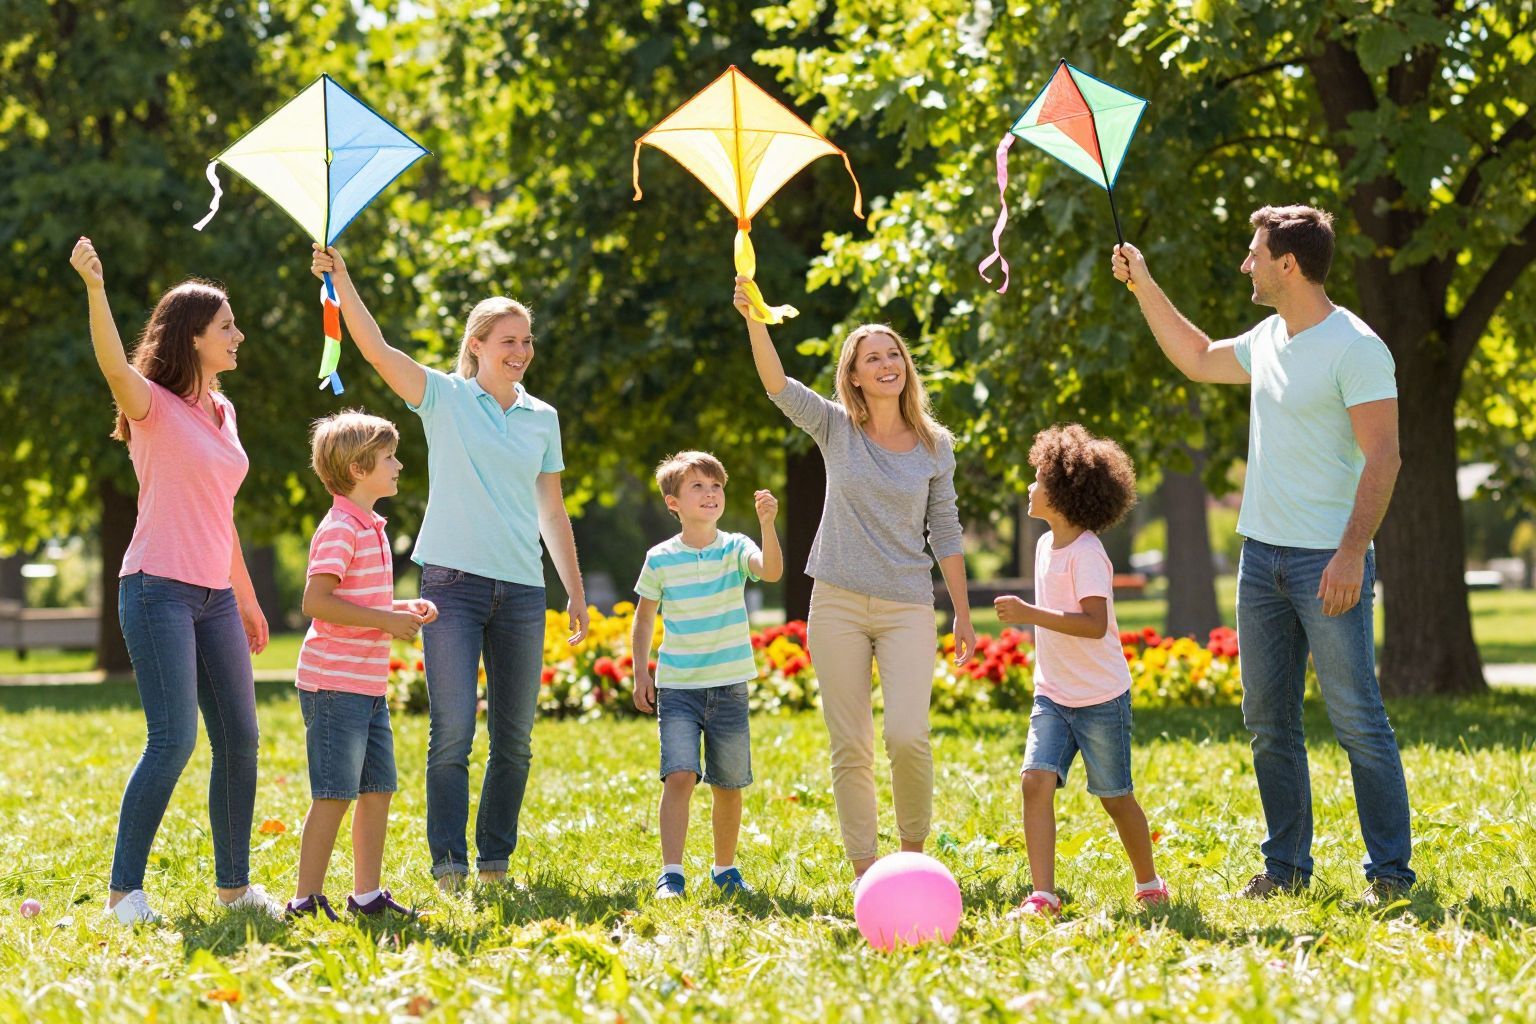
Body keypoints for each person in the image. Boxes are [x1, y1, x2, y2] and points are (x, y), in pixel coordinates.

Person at [1112, 205, 1413, 903]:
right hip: (1262, 561)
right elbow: (1195, 357)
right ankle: (1286, 867)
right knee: (1268, 723)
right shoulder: (1271, 336)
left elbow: (1386, 457)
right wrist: (1144, 284)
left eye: (1255, 253)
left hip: (1325, 563)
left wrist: (1349, 555)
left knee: (1357, 720)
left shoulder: (1356, 347)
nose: (1246, 263)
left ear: (1289, 264)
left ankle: (1391, 876)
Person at [309, 245, 588, 891]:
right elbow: (377, 350)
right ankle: (448, 866)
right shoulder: (445, 398)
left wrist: (572, 589)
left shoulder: (543, 418)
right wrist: (343, 277)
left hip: (521, 590)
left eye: (527, 341)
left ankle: (494, 863)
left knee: (514, 739)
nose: (520, 350)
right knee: (453, 733)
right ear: (479, 344)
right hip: (452, 588)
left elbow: (552, 510)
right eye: (508, 340)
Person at [733, 276, 976, 885]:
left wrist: (964, 614)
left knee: (908, 735)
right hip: (836, 601)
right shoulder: (836, 427)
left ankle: (913, 856)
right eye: (873, 358)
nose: (888, 363)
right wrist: (755, 319)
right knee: (851, 744)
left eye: (894, 354)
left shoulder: (933, 444)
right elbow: (776, 386)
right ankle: (867, 869)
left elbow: (944, 529)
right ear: (855, 377)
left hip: (908, 606)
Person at [71, 237, 282, 925]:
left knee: (241, 740)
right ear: (194, 337)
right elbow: (109, 364)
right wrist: (96, 288)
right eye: (227, 327)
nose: (238, 335)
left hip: (215, 597)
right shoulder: (152, 404)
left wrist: (246, 600)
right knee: (174, 740)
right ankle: (122, 894)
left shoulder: (225, 412)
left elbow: (221, 514)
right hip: (156, 588)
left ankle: (234, 885)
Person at [995, 425, 1168, 918]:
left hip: (1100, 699)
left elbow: (1094, 625)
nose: (1030, 487)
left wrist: (1030, 614)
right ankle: (1043, 894)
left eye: (1038, 478)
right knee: (1034, 781)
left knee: (1115, 797)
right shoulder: (1045, 544)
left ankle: (1149, 882)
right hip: (1053, 696)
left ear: (1064, 491)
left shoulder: (1088, 554)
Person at [286, 412, 437, 920]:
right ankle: (305, 899)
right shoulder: (339, 529)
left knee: (378, 789)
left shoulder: (370, 526)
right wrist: (383, 620)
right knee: (334, 794)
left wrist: (401, 611)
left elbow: (359, 601)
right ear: (357, 468)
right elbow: (317, 601)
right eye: (389, 457)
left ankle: (367, 896)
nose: (399, 464)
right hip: (333, 684)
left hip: (365, 685)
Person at [629, 452, 782, 899]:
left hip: (729, 685)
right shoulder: (659, 559)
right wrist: (643, 674)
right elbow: (643, 619)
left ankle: (724, 869)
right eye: (697, 486)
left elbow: (771, 572)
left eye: (715, 486)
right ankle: (671, 874)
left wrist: (767, 525)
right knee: (679, 775)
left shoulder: (735, 547)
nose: (710, 493)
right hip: (678, 688)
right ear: (673, 502)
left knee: (728, 783)